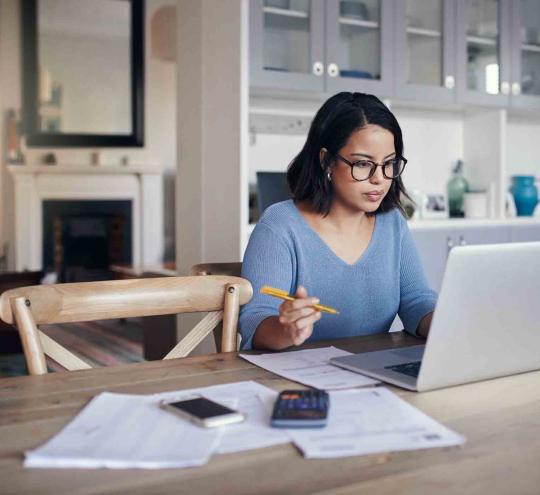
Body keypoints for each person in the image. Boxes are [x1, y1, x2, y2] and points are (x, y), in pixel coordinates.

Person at [239, 92, 437, 351]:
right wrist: (285, 329)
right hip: (293, 381)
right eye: (363, 164)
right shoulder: (281, 225)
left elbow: (416, 301)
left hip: (369, 374)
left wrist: (449, 322)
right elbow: (255, 320)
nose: (379, 178)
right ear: (327, 161)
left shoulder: (393, 224)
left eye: (389, 164)